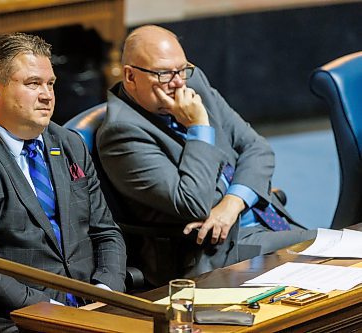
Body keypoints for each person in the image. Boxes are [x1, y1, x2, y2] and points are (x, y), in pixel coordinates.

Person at [0, 33, 126, 332]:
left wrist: (106, 291)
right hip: (18, 318)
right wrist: (53, 312)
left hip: (94, 309)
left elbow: (106, 232)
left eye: (50, 83)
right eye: (32, 84)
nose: (47, 95)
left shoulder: (69, 143)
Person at [96, 25, 316, 287]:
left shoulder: (193, 81)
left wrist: (232, 203)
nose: (178, 82)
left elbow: (258, 148)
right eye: (164, 73)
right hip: (218, 252)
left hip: (258, 218)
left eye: (181, 69)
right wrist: (199, 127)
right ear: (131, 76)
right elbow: (194, 202)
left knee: (341, 254)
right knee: (334, 255)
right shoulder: (121, 134)